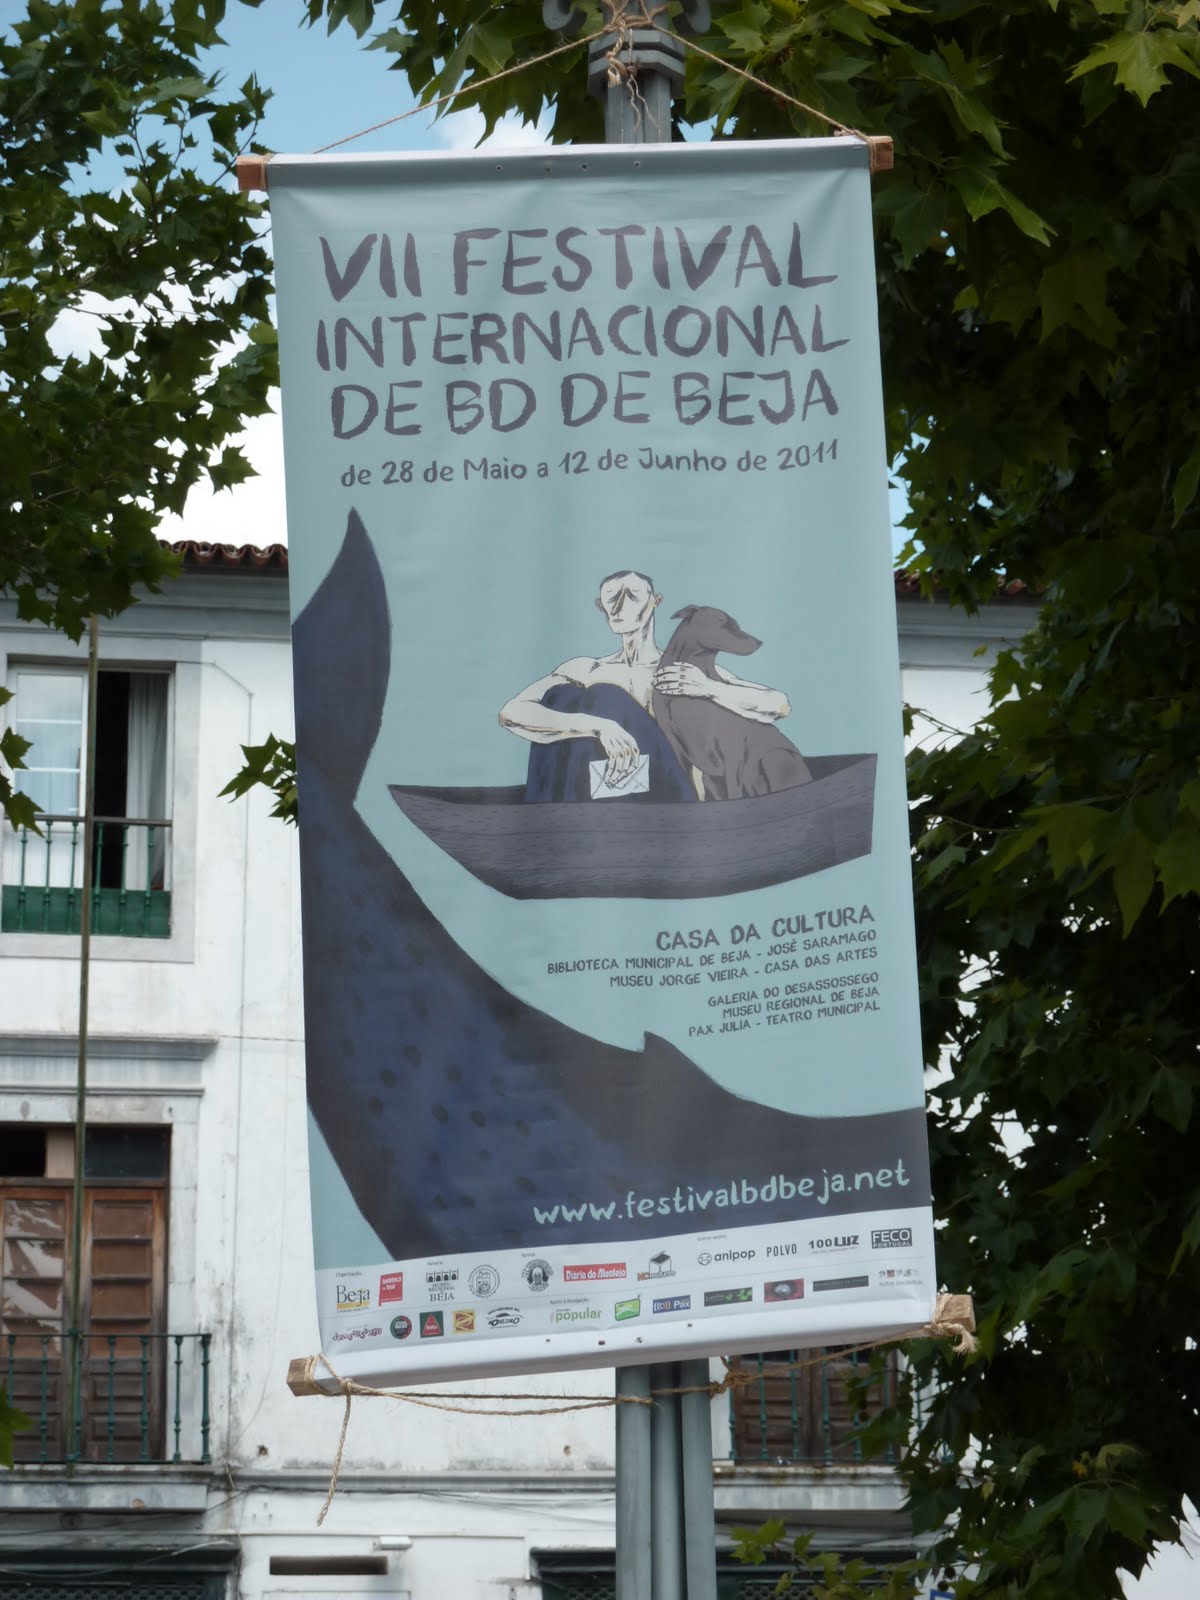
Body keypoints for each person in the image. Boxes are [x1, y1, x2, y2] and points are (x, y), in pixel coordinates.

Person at [498, 569, 790, 801]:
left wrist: (709, 688)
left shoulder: (682, 670)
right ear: (601, 606)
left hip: (669, 793)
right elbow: (512, 712)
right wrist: (598, 727)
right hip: (598, 788)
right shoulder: (586, 668)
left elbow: (778, 705)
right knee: (567, 696)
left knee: (605, 696)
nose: (620, 606)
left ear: (655, 602)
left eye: (632, 596)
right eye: (611, 598)